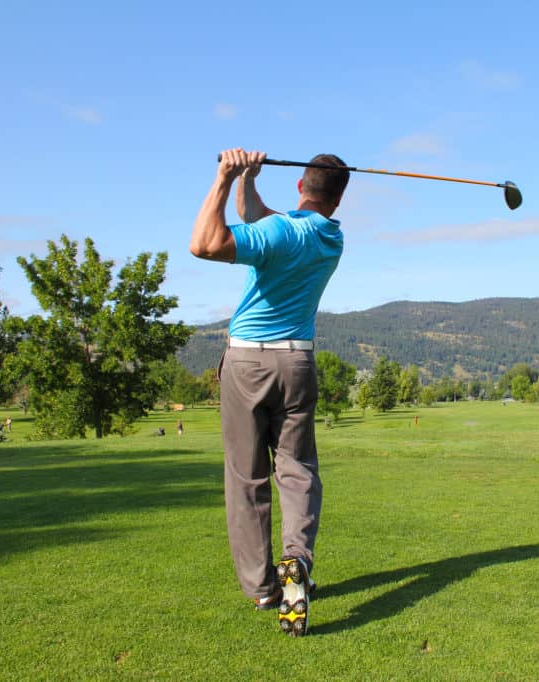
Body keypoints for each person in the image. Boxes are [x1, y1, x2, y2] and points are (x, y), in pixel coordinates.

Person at [189, 147, 349, 637]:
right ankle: (296, 560)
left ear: (300, 186)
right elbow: (257, 216)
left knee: (247, 476)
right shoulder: (330, 236)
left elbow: (203, 244)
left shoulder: (280, 232)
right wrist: (249, 181)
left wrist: (224, 176)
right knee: (296, 470)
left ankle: (263, 587)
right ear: (337, 200)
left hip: (247, 362)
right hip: (297, 361)